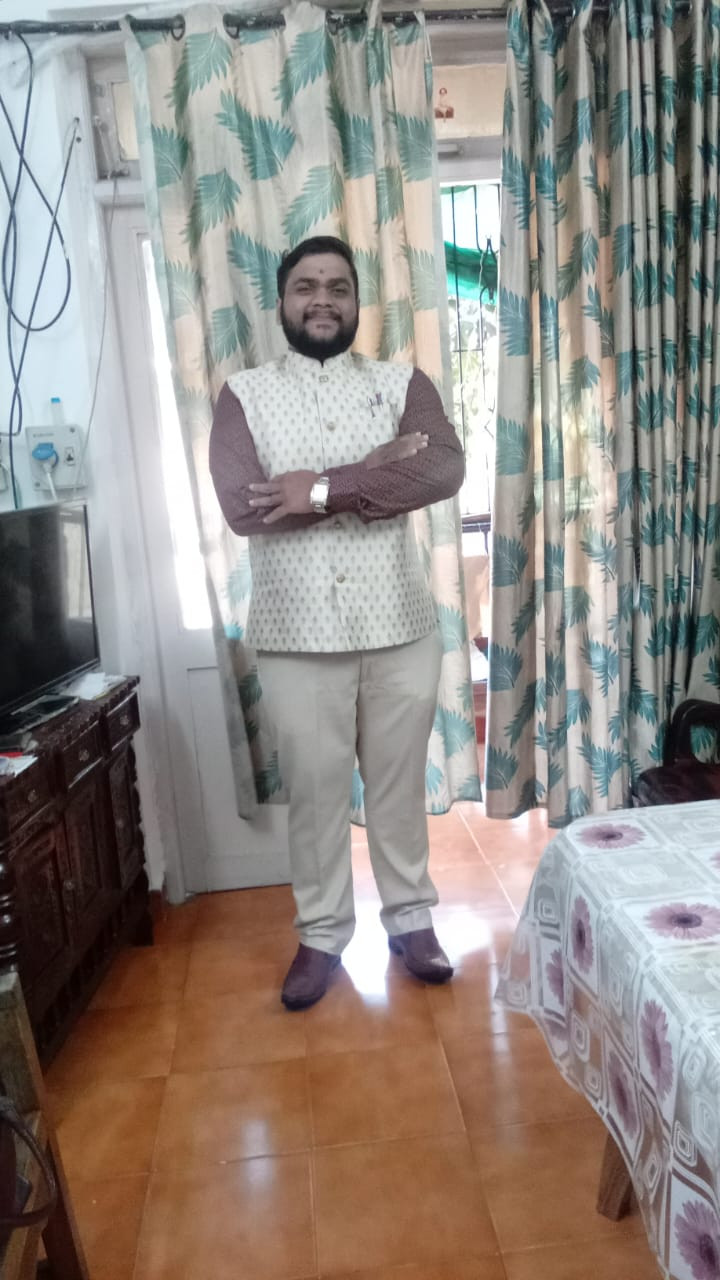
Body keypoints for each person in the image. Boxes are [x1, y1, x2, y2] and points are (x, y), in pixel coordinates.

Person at [209, 236, 465, 1010]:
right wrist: (379, 472)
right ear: (282, 302)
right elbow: (242, 507)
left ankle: (411, 922)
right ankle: (321, 935)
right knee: (317, 796)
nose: (322, 298)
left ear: (357, 303)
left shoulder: (403, 383)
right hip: (297, 639)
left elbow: (442, 468)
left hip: (401, 629)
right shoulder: (243, 396)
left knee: (396, 790)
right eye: (306, 286)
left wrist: (318, 489)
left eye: (339, 287)